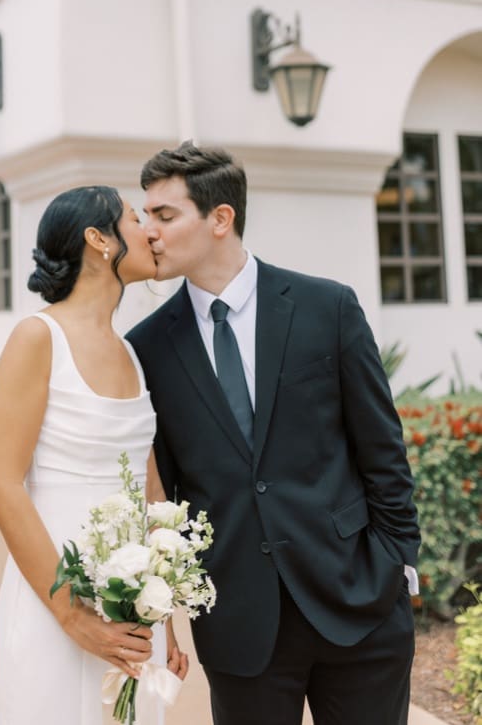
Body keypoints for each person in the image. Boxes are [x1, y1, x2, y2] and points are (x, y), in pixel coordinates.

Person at [127, 142, 419, 724]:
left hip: (358, 604)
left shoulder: (325, 307)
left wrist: (396, 566)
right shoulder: (148, 346)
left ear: (220, 218)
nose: (149, 232)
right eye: (145, 216)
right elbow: (169, 493)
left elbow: (383, 451)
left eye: (164, 215)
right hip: (240, 625)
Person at [0, 186, 187, 724]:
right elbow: (0, 483)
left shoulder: (131, 354)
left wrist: (164, 613)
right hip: (55, 601)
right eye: (132, 217)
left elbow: (152, 492)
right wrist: (73, 617)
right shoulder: (37, 338)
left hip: (133, 614)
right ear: (98, 240)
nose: (149, 229)